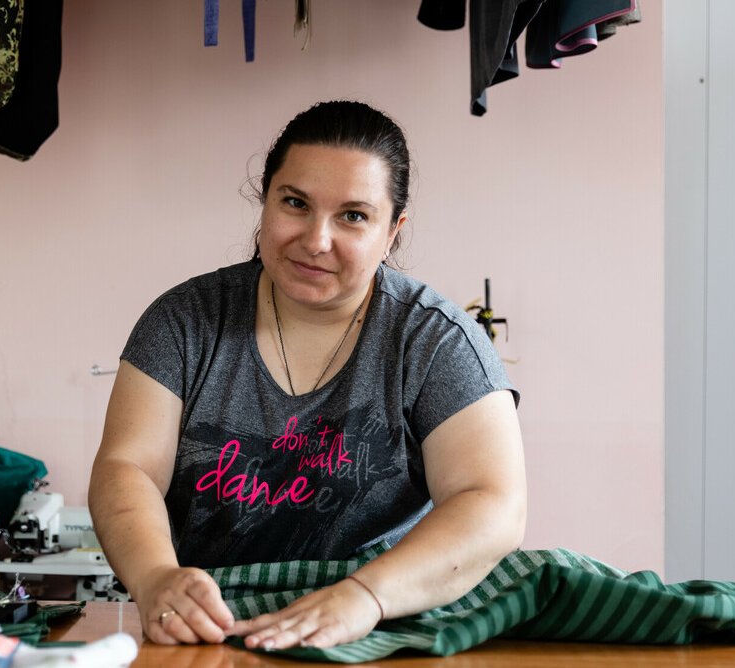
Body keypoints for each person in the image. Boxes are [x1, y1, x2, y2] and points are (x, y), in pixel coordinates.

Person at [88, 100, 526, 651]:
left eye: (353, 216)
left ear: (393, 231)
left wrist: (366, 596)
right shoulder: (183, 322)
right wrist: (154, 578)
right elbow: (128, 466)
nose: (317, 240)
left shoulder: (437, 341)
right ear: (265, 200)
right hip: (205, 631)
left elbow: (493, 503)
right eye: (295, 203)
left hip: (380, 624)